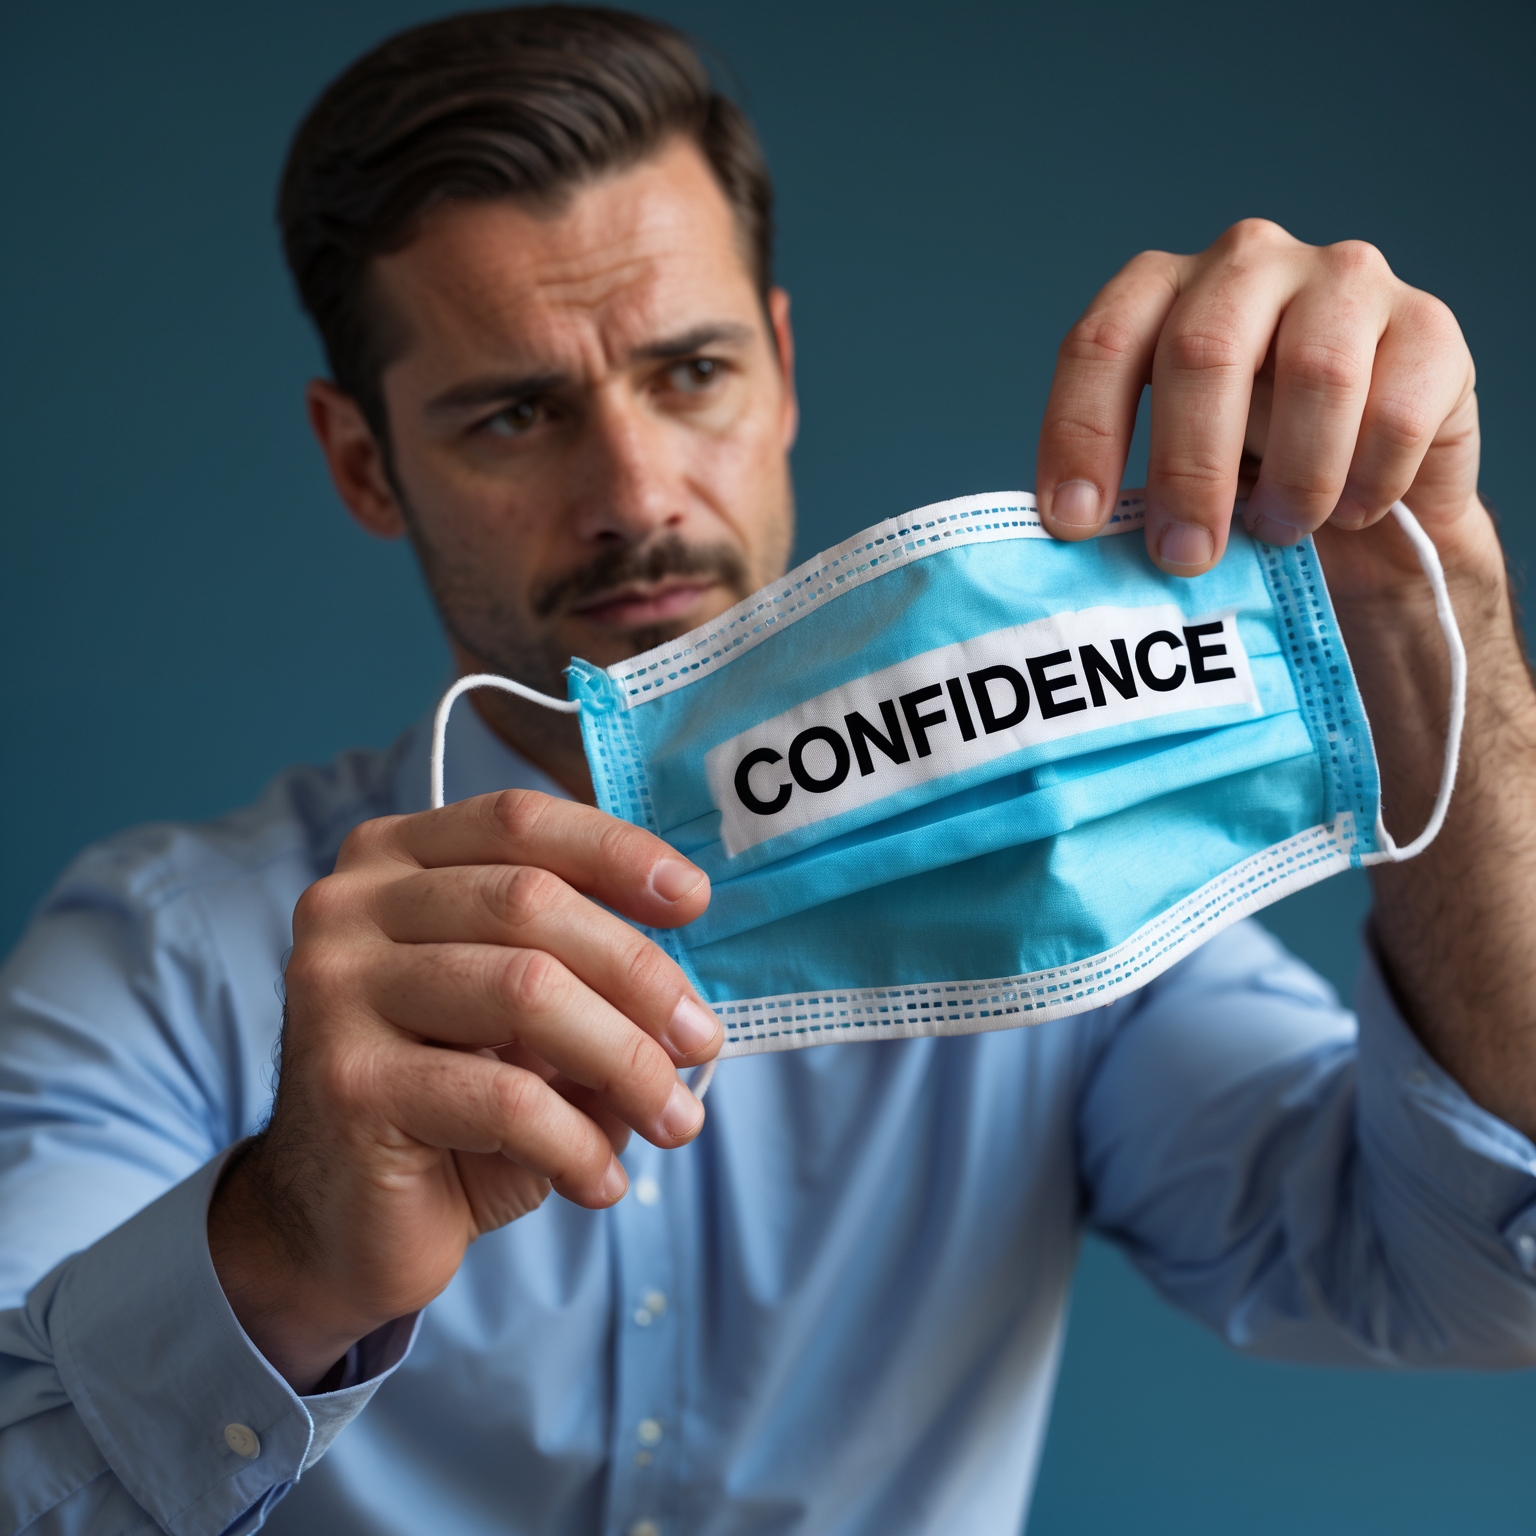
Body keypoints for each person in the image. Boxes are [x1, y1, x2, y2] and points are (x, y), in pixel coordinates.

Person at [2, 7, 1534, 1533]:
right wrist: (282, 1245)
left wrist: (1427, 600)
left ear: (783, 372)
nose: (633, 494)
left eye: (689, 374)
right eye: (516, 414)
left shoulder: (1044, 873)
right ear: (362, 463)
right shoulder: (168, 956)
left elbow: (1477, 1275)